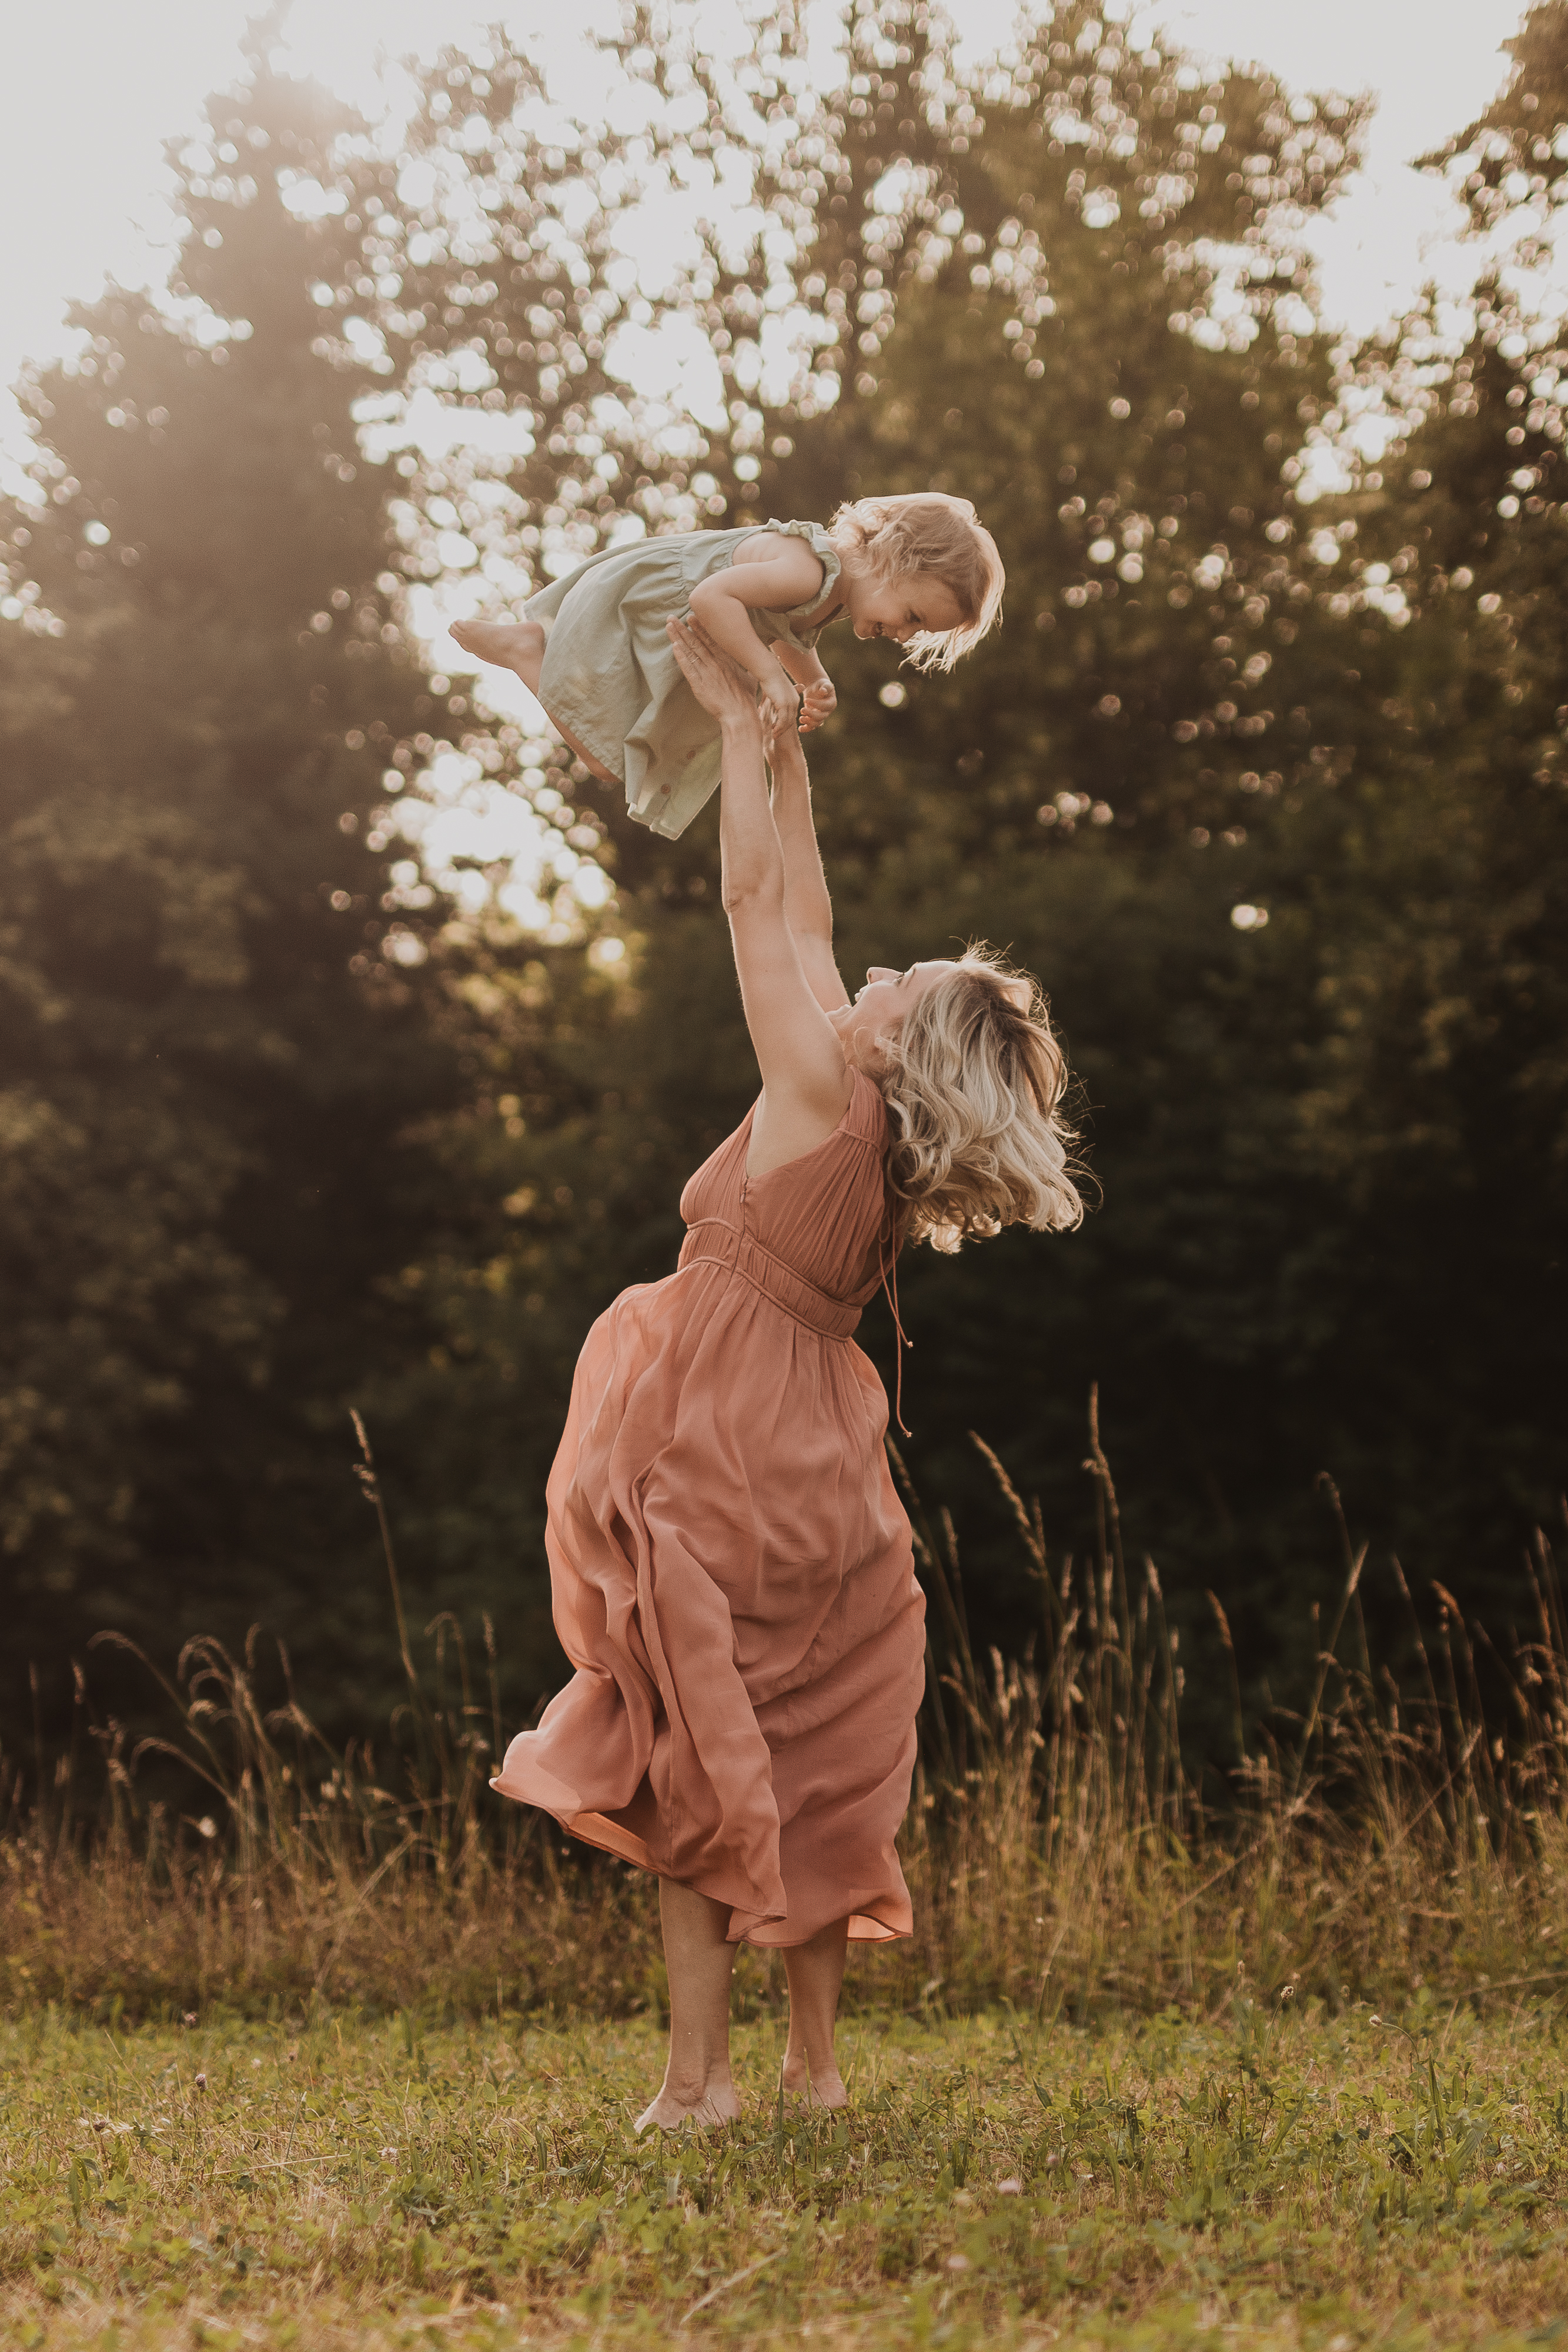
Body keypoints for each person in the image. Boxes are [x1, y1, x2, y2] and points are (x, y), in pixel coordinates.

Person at [489, 616, 1081, 2132]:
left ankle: (700, 2086)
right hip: (823, 1454)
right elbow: (803, 895)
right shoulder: (876, 1133)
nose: (873, 965)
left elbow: (761, 901)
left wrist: (757, 740)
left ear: (896, 1051)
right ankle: (813, 2073)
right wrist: (772, 731)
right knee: (809, 1749)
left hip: (725, 1434)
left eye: (903, 976)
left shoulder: (820, 1085)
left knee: (695, 1749)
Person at [450, 492, 1004, 840]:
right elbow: (713, 599)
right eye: (910, 614)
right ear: (893, 559)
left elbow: (786, 629)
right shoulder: (807, 571)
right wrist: (767, 676)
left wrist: (812, 679)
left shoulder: (830, 589)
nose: (902, 634)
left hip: (674, 625)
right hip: (649, 610)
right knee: (605, 756)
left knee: (609, 760)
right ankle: (528, 652)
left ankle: (530, 657)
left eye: (916, 631)